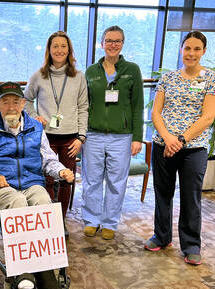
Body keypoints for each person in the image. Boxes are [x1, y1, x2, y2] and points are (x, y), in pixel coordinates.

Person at [0, 81, 74, 289]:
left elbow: (48, 159)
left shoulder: (35, 127)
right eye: (5, 102)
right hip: (0, 188)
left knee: (43, 202)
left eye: (15, 101)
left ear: (23, 103)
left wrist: (60, 170)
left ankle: (47, 269)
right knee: (18, 202)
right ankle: (21, 273)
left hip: (32, 183)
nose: (11, 107)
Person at [145, 31, 215, 266]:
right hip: (163, 145)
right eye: (187, 48)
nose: (191, 53)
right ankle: (162, 236)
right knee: (162, 194)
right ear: (181, 49)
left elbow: (208, 117)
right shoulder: (168, 78)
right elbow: (156, 113)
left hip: (193, 148)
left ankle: (191, 245)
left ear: (204, 52)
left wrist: (180, 140)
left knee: (191, 197)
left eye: (196, 49)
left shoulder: (212, 79)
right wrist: (168, 138)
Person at [82, 25, 144, 240]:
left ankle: (109, 222)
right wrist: (82, 133)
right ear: (102, 43)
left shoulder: (132, 70)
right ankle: (91, 220)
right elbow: (83, 105)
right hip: (93, 135)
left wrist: (137, 137)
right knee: (92, 180)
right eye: (109, 40)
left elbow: (138, 106)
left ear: (122, 44)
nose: (113, 44)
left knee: (117, 182)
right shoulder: (91, 72)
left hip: (122, 136)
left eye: (117, 41)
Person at [24, 31, 88, 237]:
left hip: (71, 139)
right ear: (49, 50)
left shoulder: (78, 77)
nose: (59, 50)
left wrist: (81, 138)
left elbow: (83, 107)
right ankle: (47, 220)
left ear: (69, 50)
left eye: (63, 46)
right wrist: (35, 117)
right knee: (47, 180)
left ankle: (60, 221)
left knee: (67, 180)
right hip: (46, 138)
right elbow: (25, 101)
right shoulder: (39, 75)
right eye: (55, 46)